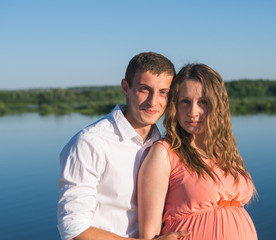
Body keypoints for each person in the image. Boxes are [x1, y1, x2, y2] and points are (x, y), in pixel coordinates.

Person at [57, 52, 188, 240]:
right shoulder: (90, 143)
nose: (153, 101)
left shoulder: (164, 144)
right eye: (144, 89)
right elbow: (74, 229)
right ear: (126, 87)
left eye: (163, 92)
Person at [138, 63, 257, 239]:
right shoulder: (164, 153)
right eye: (185, 102)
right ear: (174, 106)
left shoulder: (225, 151)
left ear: (217, 106)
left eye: (203, 102)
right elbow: (148, 235)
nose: (193, 112)